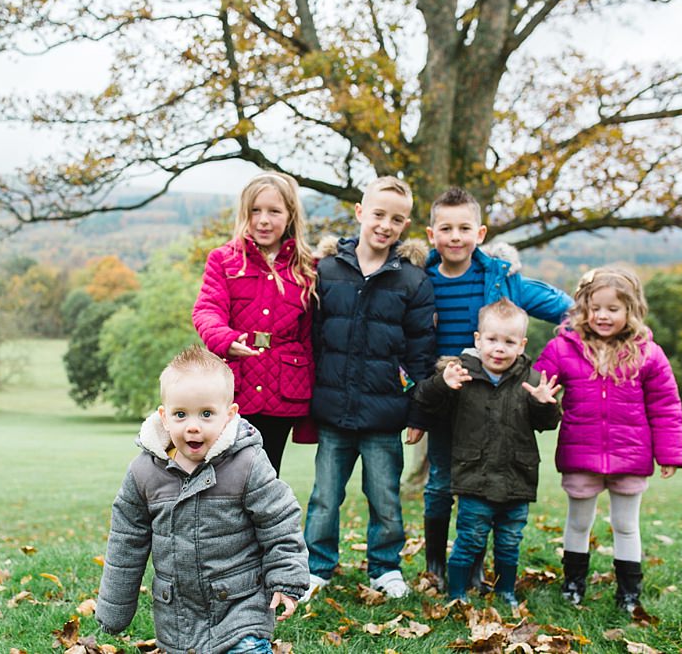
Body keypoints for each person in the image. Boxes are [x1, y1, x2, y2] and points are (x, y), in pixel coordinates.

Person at [94, 345, 310, 654]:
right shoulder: (144, 472)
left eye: (206, 414)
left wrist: (286, 578)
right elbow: (126, 540)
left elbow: (279, 522)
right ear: (164, 417)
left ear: (229, 415)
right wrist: (114, 609)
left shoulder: (247, 465)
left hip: (241, 607)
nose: (193, 425)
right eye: (180, 414)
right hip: (178, 618)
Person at [420, 185, 573, 590]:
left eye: (464, 228)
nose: (456, 237)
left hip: (492, 396)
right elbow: (409, 342)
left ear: (480, 233)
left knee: (484, 481)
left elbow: (566, 308)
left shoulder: (501, 280)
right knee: (438, 483)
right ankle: (436, 563)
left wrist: (541, 370)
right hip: (445, 394)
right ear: (431, 234)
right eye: (446, 228)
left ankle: (473, 565)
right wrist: (419, 405)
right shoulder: (419, 280)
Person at [303, 176, 436, 600]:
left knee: (385, 498)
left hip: (384, 414)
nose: (385, 225)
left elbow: (420, 355)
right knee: (325, 497)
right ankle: (317, 566)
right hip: (334, 411)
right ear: (360, 213)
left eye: (396, 219)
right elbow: (313, 339)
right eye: (378, 214)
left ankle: (385, 567)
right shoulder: (326, 271)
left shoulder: (412, 281)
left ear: (405, 225)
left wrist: (417, 413)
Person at [534, 267, 682, 612]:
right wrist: (539, 394)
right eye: (595, 307)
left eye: (613, 309)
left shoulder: (649, 353)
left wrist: (670, 454)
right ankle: (573, 583)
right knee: (577, 522)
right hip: (581, 453)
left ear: (630, 311)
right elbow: (536, 382)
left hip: (630, 456)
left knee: (625, 525)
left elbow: (665, 406)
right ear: (583, 308)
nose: (603, 316)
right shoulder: (562, 347)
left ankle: (629, 593)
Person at [413, 299, 562, 611]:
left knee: (509, 543)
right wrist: (443, 384)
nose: (499, 349)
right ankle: (456, 592)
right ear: (478, 340)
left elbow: (546, 424)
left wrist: (546, 404)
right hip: (474, 478)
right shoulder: (462, 375)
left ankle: (506, 590)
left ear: (521, 346)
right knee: (470, 539)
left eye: (509, 342)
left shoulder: (531, 380)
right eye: (492, 340)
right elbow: (425, 399)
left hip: (516, 478)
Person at [192, 172, 317, 474]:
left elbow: (311, 336)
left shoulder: (308, 268)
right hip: (235, 386)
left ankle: (264, 523)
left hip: (283, 390)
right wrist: (225, 339)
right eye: (255, 211)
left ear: (289, 216)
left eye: (274, 212)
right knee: (223, 474)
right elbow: (207, 310)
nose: (263, 220)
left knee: (266, 474)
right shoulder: (224, 259)